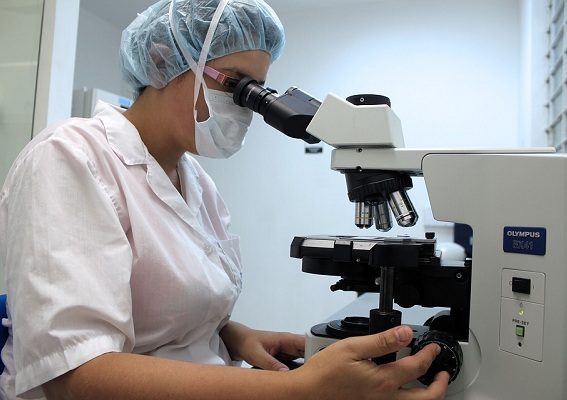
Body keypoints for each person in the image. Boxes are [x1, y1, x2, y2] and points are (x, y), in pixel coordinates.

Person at [0, 0, 450, 399]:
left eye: (257, 91)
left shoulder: (196, 181)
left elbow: (161, 315)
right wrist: (298, 390)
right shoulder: (70, 158)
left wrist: (234, 336)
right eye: (235, 85)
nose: (245, 106)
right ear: (162, 60)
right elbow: (75, 377)